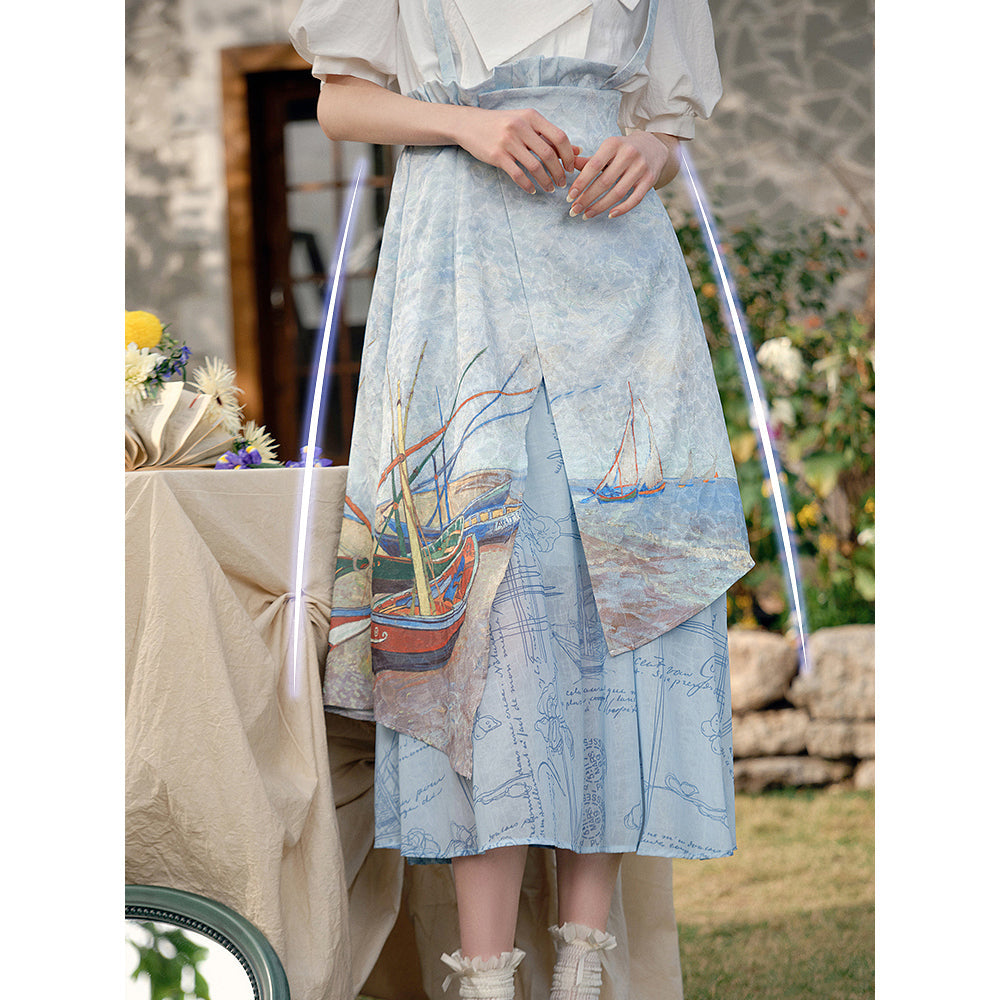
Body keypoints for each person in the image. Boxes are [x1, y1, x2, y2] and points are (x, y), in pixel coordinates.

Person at [289, 2, 753, 998]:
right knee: (480, 615)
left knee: (610, 596)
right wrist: (468, 124)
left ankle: (584, 964)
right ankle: (487, 974)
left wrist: (650, 151)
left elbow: (664, 124)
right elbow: (341, 101)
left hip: (615, 274)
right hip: (461, 268)